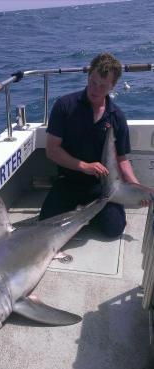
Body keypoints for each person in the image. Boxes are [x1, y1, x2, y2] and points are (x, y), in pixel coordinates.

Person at [39, 53, 141, 237]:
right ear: (88, 76)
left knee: (114, 229)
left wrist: (136, 188)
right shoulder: (65, 106)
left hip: (102, 185)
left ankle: (85, 213)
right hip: (69, 179)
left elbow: (122, 159)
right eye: (93, 82)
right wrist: (84, 166)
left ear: (112, 86)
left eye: (103, 86)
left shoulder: (116, 117)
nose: (95, 89)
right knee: (45, 226)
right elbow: (52, 150)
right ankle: (83, 213)